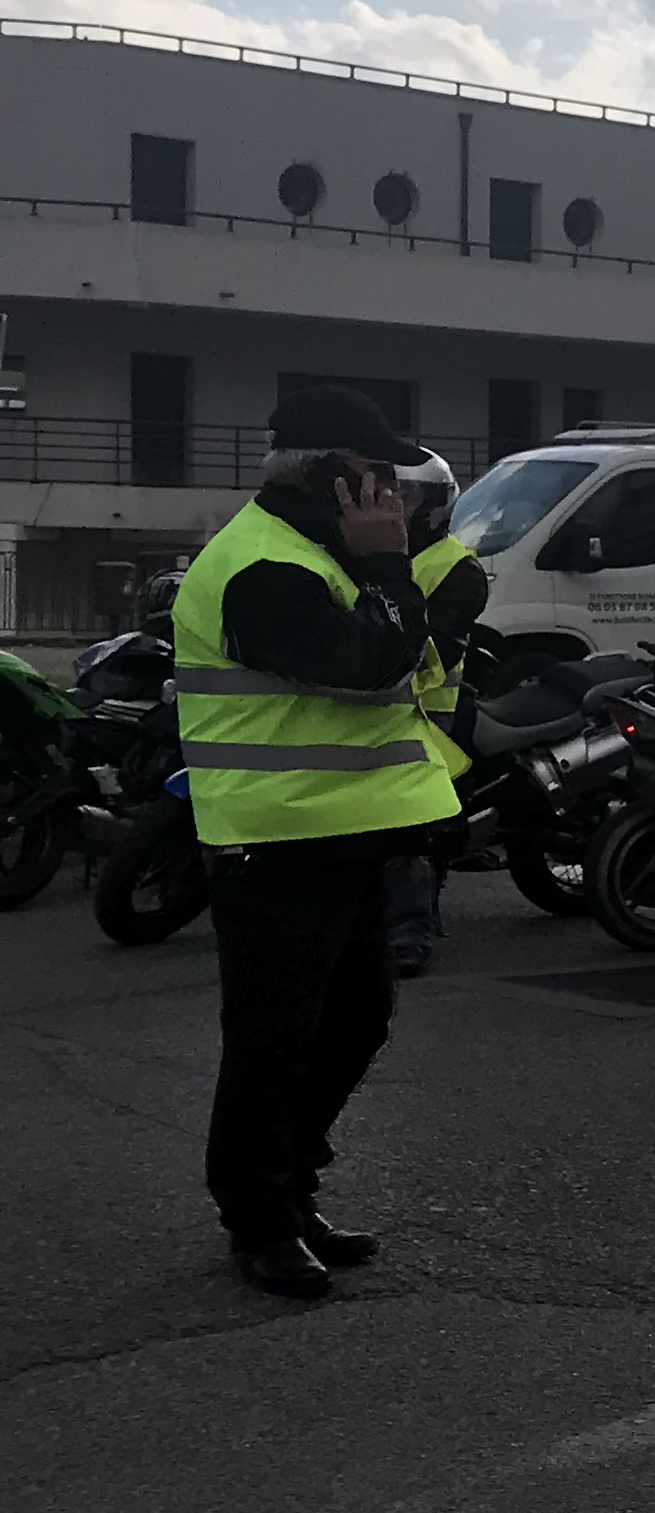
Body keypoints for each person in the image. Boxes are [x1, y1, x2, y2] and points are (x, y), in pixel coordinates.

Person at [174, 386, 463, 1298]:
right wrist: (390, 567)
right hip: (275, 837)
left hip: (343, 833)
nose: (394, 493)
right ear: (333, 479)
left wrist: (382, 569)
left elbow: (409, 665)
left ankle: (293, 1191)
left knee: (353, 1021)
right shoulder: (265, 566)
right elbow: (368, 662)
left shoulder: (314, 551)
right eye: (377, 475)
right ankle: (257, 1221)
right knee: (274, 1038)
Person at [389, 447, 478, 981]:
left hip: (428, 712)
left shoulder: (456, 569)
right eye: (389, 493)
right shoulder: (363, 552)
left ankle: (410, 931)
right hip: (372, 705)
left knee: (410, 821)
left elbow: (434, 650)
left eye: (409, 496)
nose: (397, 504)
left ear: (436, 505)